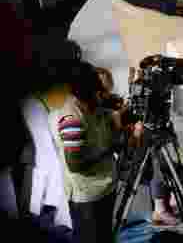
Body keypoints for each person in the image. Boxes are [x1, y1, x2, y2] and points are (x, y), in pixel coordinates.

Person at [48, 59, 139, 243]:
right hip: (87, 199)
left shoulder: (92, 106)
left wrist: (122, 116)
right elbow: (75, 163)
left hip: (104, 188)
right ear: (85, 91)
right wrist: (112, 145)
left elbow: (104, 116)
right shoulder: (70, 118)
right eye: (99, 91)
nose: (103, 96)